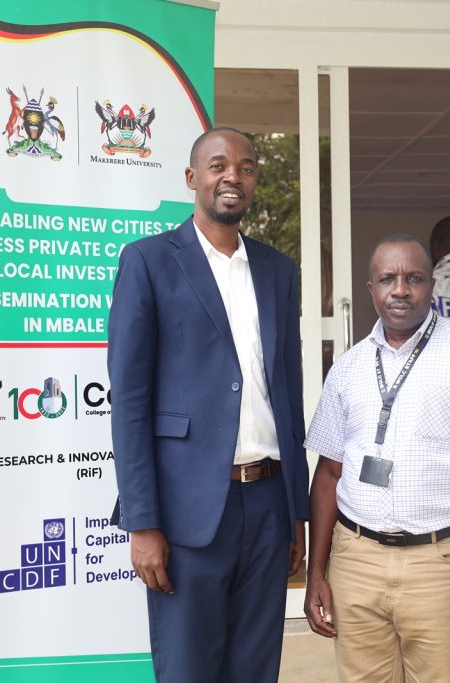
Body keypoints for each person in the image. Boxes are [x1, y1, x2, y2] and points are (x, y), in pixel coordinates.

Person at [107, 127, 310, 682]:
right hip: (186, 514)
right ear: (193, 178)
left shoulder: (278, 271)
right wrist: (142, 523)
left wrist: (296, 511)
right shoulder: (148, 261)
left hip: (268, 503)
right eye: (219, 166)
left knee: (255, 668)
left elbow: (286, 392)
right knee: (189, 669)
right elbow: (128, 402)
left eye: (245, 168)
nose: (232, 177)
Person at [302, 234, 450, 683]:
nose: (400, 290)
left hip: (442, 564)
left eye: (413, 279)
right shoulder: (348, 368)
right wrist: (317, 573)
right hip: (356, 562)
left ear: (431, 286)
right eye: (387, 279)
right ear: (371, 290)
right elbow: (329, 473)